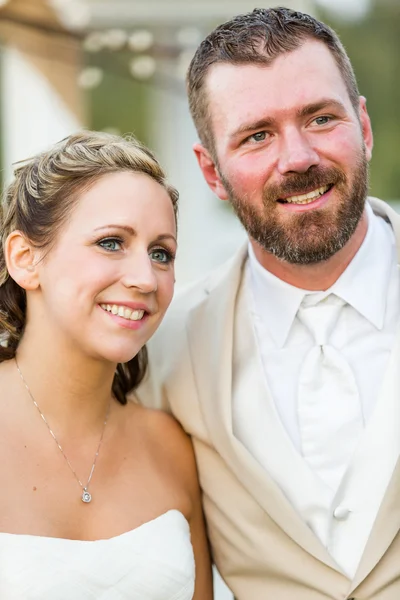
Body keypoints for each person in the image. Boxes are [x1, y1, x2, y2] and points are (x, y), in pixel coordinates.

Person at [136, 7, 400, 600]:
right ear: (211, 171)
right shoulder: (165, 347)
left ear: (363, 124)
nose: (298, 157)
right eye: (257, 135)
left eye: (321, 118)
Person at [0, 130, 213, 599]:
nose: (144, 279)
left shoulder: (170, 446)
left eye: (161, 253)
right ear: (25, 258)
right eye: (112, 243)